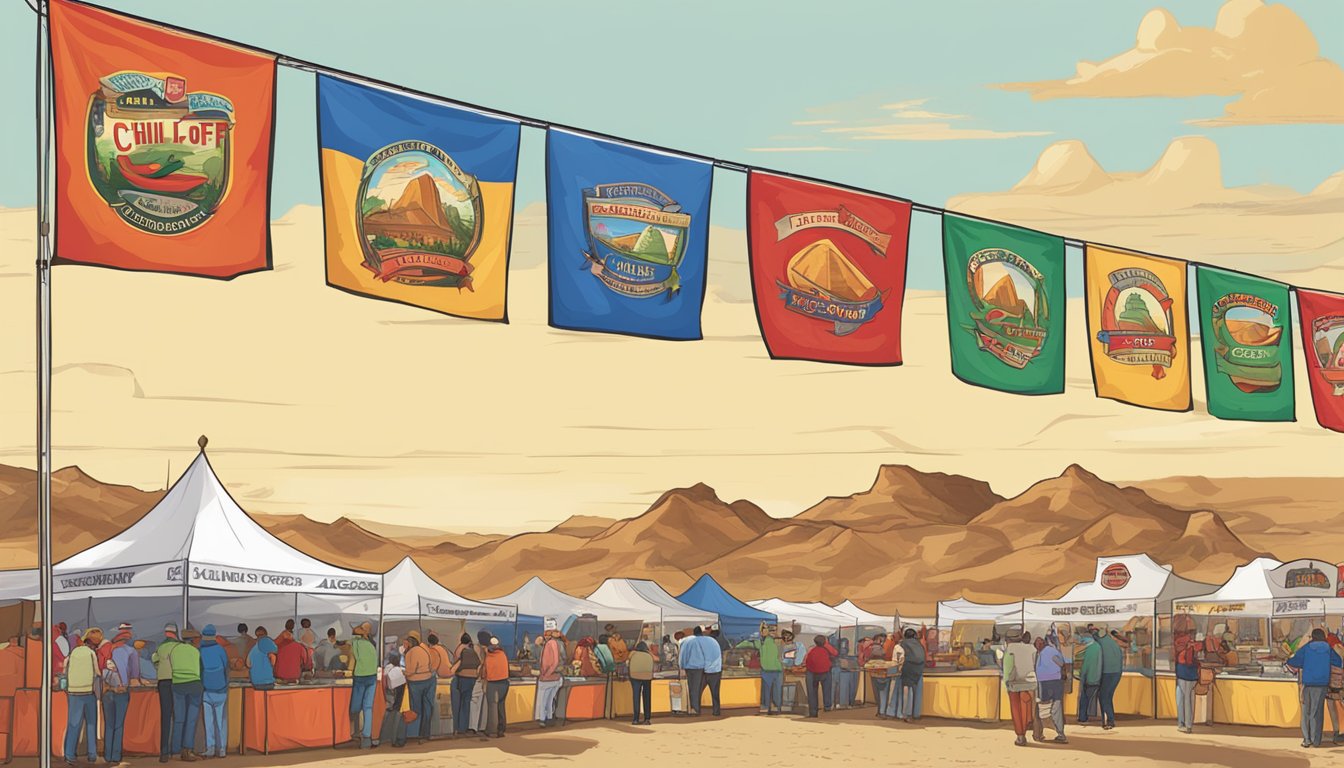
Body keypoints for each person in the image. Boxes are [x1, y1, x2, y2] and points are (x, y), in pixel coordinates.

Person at [1287, 627, 1344, 748]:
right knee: (1317, 712)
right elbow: (1338, 661)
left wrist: (1304, 662)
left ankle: (1307, 740)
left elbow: (1294, 661)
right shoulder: (1328, 648)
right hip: (1322, 684)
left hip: (1308, 683)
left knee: (1306, 712)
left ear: (1312, 637)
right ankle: (1316, 740)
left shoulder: (1307, 648)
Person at [101, 623, 138, 767]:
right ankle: (116, 756)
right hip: (121, 691)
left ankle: (107, 755)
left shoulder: (107, 650)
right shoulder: (132, 652)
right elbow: (135, 677)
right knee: (118, 725)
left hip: (107, 691)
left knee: (109, 724)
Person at [64, 627, 101, 765]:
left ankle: (69, 754)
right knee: (91, 724)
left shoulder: (73, 653)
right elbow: (97, 672)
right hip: (88, 693)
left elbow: (64, 667)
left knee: (73, 724)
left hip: (73, 694)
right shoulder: (91, 653)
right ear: (94, 644)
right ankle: (92, 755)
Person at [170, 627, 204, 762]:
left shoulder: (175, 650)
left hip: (178, 685)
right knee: (191, 719)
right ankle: (187, 750)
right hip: (194, 685)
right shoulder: (196, 651)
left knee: (179, 719)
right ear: (193, 639)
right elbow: (201, 670)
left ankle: (175, 751)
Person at [1002, 629, 1039, 747]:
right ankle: (1028, 722)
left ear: (1008, 640)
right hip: (1030, 682)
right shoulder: (1031, 649)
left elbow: (1008, 669)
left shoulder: (1010, 650)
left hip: (1015, 683)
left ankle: (1020, 736)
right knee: (1026, 705)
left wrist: (1006, 681)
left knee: (1016, 709)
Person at [737, 625, 783, 715]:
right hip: (775, 670)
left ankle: (769, 708)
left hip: (770, 670)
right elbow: (746, 644)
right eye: (771, 630)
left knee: (768, 691)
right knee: (775, 691)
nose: (772, 632)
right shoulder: (765, 641)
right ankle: (776, 708)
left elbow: (745, 644)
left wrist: (735, 644)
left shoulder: (763, 642)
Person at [199, 625, 229, 759]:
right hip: (221, 690)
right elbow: (227, 668)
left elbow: (198, 671)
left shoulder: (200, 651)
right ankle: (221, 749)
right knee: (221, 721)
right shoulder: (221, 650)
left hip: (206, 691)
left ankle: (210, 748)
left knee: (208, 721)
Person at [153, 623, 181, 763]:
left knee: (166, 716)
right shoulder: (179, 647)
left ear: (165, 633)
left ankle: (164, 752)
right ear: (176, 633)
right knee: (179, 716)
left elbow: (154, 661)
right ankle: (177, 749)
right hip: (177, 681)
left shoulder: (160, 647)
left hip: (163, 682)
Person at [349, 622, 378, 748]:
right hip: (372, 676)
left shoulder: (356, 642)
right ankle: (366, 736)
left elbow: (353, 658)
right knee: (368, 707)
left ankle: (353, 732)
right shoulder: (372, 643)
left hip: (360, 676)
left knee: (355, 707)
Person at [402, 630, 434, 743]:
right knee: (428, 708)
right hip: (429, 680)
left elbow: (410, 671)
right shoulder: (425, 648)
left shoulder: (411, 652)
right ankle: (425, 734)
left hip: (416, 682)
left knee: (416, 709)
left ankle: (413, 735)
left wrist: (402, 672)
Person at [1035, 636, 1067, 743]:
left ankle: (1057, 733)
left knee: (1046, 708)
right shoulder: (1047, 651)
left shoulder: (1049, 651)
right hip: (1051, 682)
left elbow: (1061, 663)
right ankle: (1058, 733)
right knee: (1052, 707)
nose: (1037, 646)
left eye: (1039, 644)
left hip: (1050, 682)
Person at [450, 632, 480, 736]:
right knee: (466, 703)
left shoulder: (460, 649)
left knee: (458, 704)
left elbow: (456, 664)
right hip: (473, 679)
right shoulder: (473, 649)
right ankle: (464, 727)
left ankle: (457, 728)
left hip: (461, 678)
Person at [803, 634, 838, 717]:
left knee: (812, 693)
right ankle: (827, 709)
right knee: (827, 691)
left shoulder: (812, 650)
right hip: (825, 672)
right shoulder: (827, 649)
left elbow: (807, 661)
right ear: (824, 642)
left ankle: (813, 712)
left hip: (812, 673)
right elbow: (835, 653)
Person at [482, 635, 510, 738]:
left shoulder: (489, 655)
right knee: (501, 706)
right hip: (504, 682)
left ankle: (491, 730)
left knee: (492, 706)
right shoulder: (503, 654)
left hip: (493, 683)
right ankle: (501, 730)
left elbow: (485, 671)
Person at [536, 628, 565, 728]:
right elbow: (559, 660)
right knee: (550, 699)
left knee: (543, 699)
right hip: (556, 677)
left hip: (548, 677)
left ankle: (543, 719)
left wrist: (546, 673)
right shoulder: (559, 644)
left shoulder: (549, 644)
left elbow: (550, 662)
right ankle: (549, 717)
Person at [425, 633, 452, 738]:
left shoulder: (433, 650)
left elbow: (433, 665)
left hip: (441, 675)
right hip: (449, 672)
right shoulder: (442, 648)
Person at [1097, 628, 1124, 729]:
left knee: (1103, 696)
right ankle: (1109, 718)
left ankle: (1109, 720)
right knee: (1108, 696)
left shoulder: (1100, 642)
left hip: (1107, 673)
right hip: (1117, 673)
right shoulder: (1114, 645)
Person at [1174, 629, 1200, 734]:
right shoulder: (1194, 644)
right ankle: (1186, 724)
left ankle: (1184, 724)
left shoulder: (1180, 642)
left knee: (1182, 699)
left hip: (1182, 673)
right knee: (1188, 699)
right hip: (1192, 674)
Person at [381, 651, 408, 749]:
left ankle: (390, 738)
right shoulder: (397, 670)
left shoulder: (388, 669)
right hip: (398, 700)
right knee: (398, 717)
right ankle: (396, 739)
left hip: (391, 698)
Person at [898, 628, 926, 722]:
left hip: (908, 669)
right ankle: (917, 714)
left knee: (908, 693)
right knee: (918, 692)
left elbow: (900, 658)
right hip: (919, 670)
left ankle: (907, 714)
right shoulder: (919, 645)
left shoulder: (902, 644)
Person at [679, 626, 708, 715]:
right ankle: (695, 708)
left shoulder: (686, 641)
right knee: (696, 688)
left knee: (692, 688)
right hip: (700, 667)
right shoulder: (704, 641)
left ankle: (693, 707)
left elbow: (682, 654)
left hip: (689, 668)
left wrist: (682, 666)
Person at [698, 625, 724, 716]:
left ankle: (696, 710)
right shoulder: (721, 641)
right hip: (716, 670)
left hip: (705, 670)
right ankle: (716, 711)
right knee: (715, 693)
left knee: (698, 690)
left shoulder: (705, 641)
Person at [1077, 632, 1102, 725]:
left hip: (1089, 677)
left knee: (1084, 698)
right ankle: (1085, 716)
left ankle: (1082, 717)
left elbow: (1086, 665)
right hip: (1096, 677)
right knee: (1089, 698)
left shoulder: (1090, 648)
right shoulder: (1098, 647)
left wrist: (1082, 675)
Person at [629, 640, 655, 724]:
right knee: (647, 696)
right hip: (647, 676)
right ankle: (647, 719)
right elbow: (655, 659)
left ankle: (635, 719)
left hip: (634, 676)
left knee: (636, 696)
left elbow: (628, 660)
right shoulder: (648, 654)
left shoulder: (633, 653)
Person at [247, 626, 278, 691]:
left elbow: (248, 664)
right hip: (268, 683)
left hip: (255, 683)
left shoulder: (253, 650)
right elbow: (273, 658)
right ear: (265, 635)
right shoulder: (266, 643)